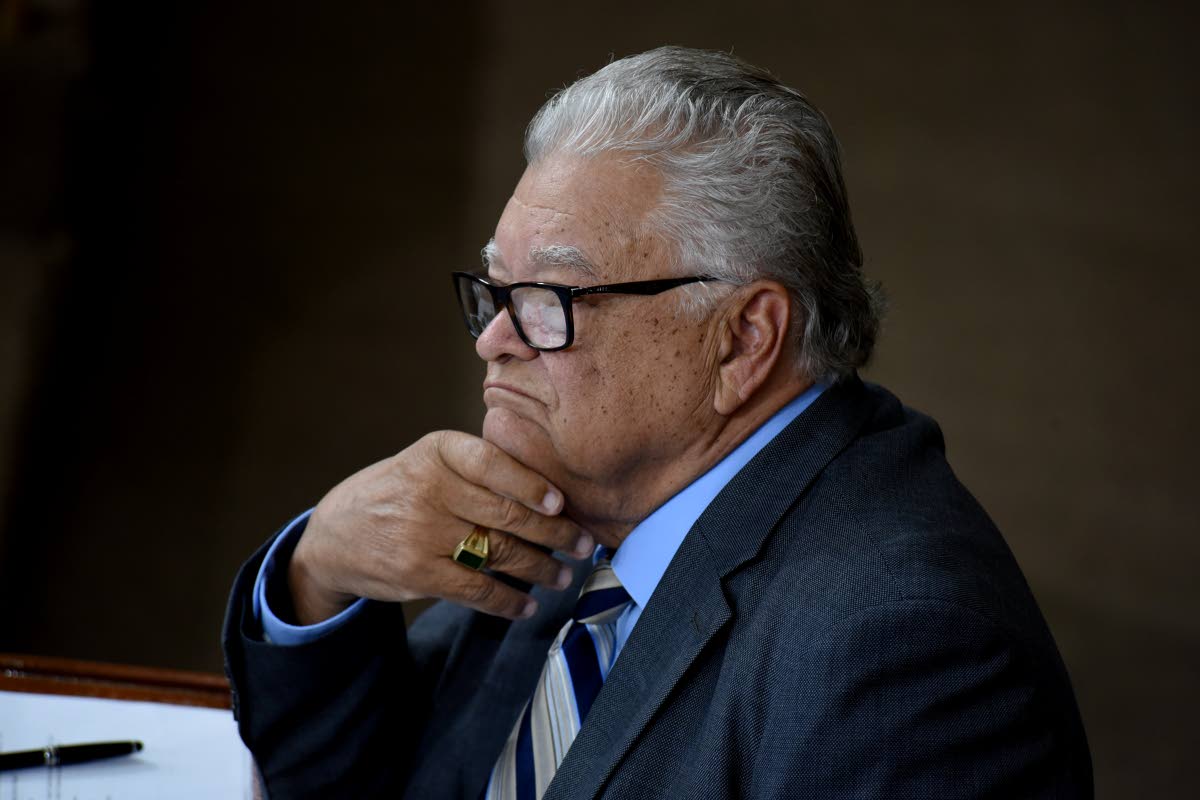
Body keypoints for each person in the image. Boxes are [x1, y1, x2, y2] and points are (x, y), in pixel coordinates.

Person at [222, 46, 1092, 799]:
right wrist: (320, 568)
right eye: (496, 289)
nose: (494, 339)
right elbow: (365, 783)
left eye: (551, 297)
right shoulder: (580, 503)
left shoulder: (906, 645)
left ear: (743, 338)